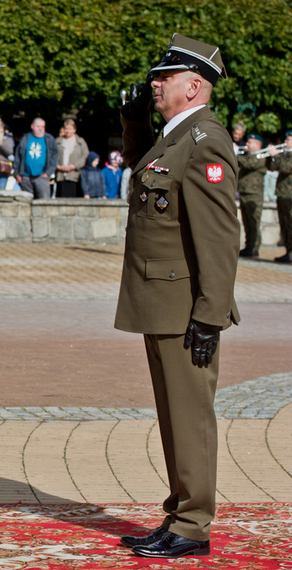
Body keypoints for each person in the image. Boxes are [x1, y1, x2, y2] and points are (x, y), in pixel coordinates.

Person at [116, 34, 239, 559]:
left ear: (194, 85)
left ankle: (192, 525)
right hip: (161, 303)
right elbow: (139, 163)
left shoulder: (205, 139)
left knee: (189, 416)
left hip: (186, 307)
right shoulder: (174, 136)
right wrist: (133, 120)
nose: (155, 83)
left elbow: (217, 238)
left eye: (164, 78)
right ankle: (179, 513)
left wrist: (210, 315)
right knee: (172, 415)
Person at [237, 133, 268, 257]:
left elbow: (250, 164)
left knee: (254, 221)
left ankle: (254, 247)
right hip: (245, 192)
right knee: (246, 221)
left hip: (254, 194)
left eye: (250, 142)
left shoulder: (261, 155)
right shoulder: (248, 156)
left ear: (257, 145)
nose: (247, 144)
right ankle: (249, 246)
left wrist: (236, 154)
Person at [14, 117, 58, 199]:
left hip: (42, 176)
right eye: (38, 126)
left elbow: (55, 157)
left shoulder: (49, 139)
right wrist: (17, 173)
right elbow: (17, 156)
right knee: (26, 202)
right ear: (32, 126)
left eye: (43, 127)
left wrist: (48, 172)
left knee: (44, 201)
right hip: (25, 177)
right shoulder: (25, 138)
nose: (41, 129)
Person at [268, 129, 292, 263]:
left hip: (290, 196)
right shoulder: (285, 154)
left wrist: (276, 155)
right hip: (282, 194)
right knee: (284, 225)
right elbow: (273, 167)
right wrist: (272, 156)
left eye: (288, 139)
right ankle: (288, 251)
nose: (285, 142)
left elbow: (287, 167)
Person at [54, 118, 89, 198]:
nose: (68, 131)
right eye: (66, 128)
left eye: (70, 128)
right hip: (60, 176)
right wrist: (58, 166)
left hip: (75, 176)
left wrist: (74, 166)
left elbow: (85, 156)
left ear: (74, 129)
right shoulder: (58, 141)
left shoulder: (80, 142)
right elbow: (51, 156)